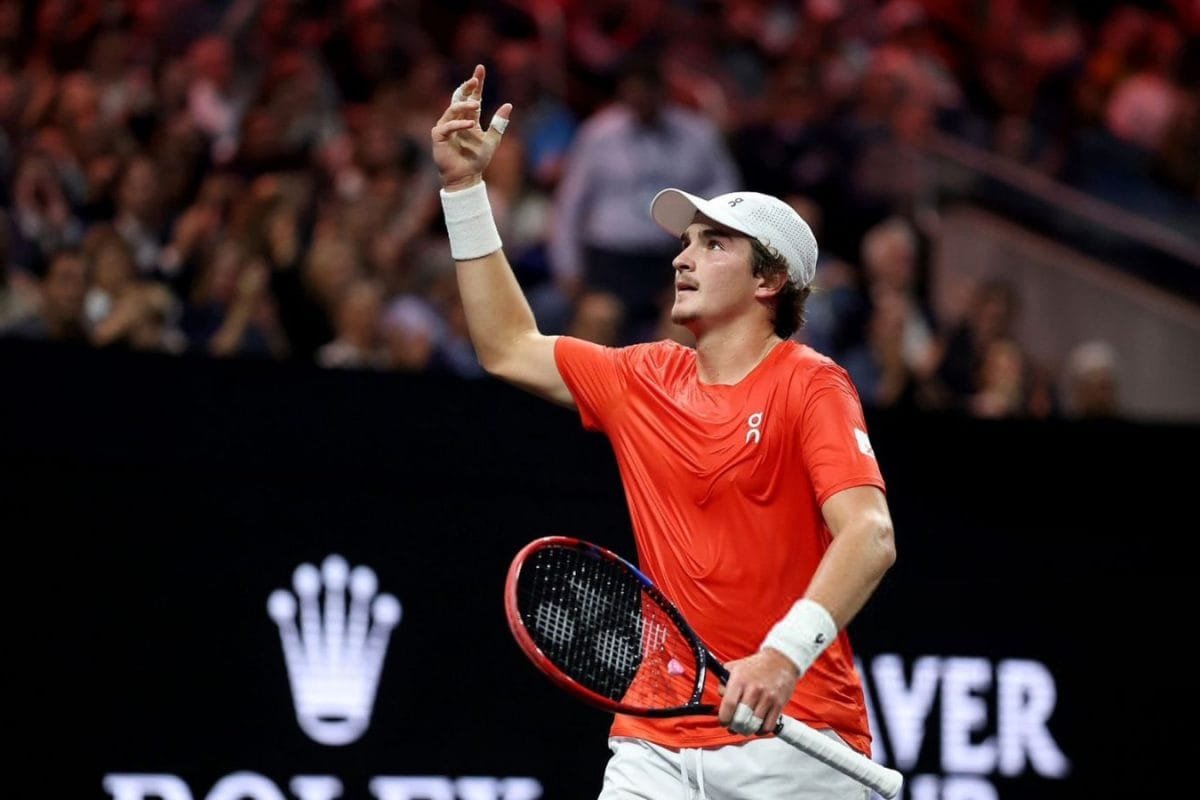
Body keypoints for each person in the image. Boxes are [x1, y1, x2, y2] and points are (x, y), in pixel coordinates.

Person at [432, 65, 897, 799]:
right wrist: (463, 192)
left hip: (794, 740)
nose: (682, 256)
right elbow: (506, 346)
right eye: (687, 241)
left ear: (768, 281)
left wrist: (781, 656)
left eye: (713, 245)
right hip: (654, 739)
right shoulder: (643, 377)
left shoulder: (810, 384)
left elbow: (869, 534)